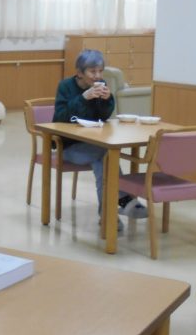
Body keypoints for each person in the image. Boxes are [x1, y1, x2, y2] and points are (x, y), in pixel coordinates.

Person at [53, 49, 147, 226]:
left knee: (103, 159)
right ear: (79, 73)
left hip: (94, 143)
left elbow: (103, 116)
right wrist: (83, 98)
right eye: (92, 71)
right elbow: (60, 118)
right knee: (106, 155)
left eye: (100, 71)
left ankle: (107, 215)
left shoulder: (101, 84)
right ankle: (123, 200)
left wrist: (107, 100)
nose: (97, 76)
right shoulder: (65, 86)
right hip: (68, 146)